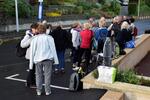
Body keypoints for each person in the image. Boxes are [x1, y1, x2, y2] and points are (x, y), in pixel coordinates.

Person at [29, 23, 59, 96]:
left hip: (38, 60)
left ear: (38, 31)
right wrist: (56, 61)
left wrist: (31, 65)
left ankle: (38, 91)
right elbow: (53, 49)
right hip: (48, 59)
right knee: (47, 75)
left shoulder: (34, 39)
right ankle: (47, 91)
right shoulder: (49, 38)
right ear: (45, 30)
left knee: (38, 76)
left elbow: (32, 52)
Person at [20, 23, 38, 88]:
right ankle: (31, 83)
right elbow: (22, 45)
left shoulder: (35, 34)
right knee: (32, 70)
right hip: (30, 56)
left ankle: (29, 82)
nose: (36, 30)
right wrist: (31, 39)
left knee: (32, 70)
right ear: (33, 28)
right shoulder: (28, 35)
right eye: (35, 29)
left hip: (35, 55)